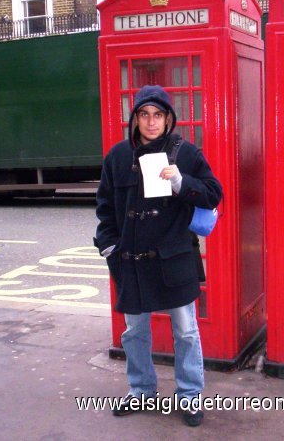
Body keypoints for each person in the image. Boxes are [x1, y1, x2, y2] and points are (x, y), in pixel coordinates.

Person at [94, 85, 222, 427]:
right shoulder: (117, 157)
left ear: (168, 119)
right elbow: (105, 209)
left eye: (158, 115)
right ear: (135, 119)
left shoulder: (186, 153)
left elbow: (213, 194)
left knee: (186, 332)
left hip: (173, 258)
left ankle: (190, 395)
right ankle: (141, 390)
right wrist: (108, 246)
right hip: (131, 261)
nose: (151, 122)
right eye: (144, 115)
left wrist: (182, 181)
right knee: (134, 333)